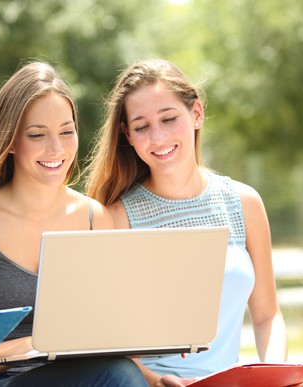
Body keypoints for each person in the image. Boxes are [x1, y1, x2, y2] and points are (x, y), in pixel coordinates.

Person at [0, 61, 148, 387]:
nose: (56, 149)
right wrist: (34, 346)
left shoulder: (96, 219)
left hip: (88, 378)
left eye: (66, 132)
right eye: (37, 135)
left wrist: (155, 377)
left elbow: (110, 334)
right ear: (10, 141)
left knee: (123, 373)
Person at [84, 59, 289, 386]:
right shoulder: (114, 218)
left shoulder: (245, 203)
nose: (158, 137)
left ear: (196, 114)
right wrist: (155, 380)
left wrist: (278, 375)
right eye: (141, 126)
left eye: (168, 118)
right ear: (128, 135)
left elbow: (267, 316)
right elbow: (109, 343)